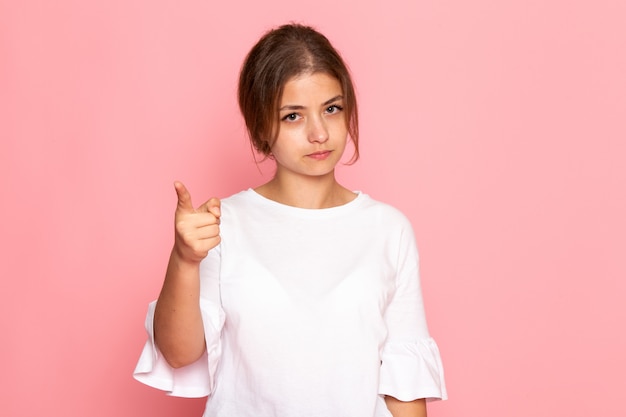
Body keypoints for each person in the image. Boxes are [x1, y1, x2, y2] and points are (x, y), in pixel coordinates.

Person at [134, 23, 447, 417]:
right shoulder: (220, 225)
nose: (319, 133)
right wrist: (184, 259)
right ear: (261, 127)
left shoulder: (389, 230)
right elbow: (179, 354)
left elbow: (404, 383)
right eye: (293, 116)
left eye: (332, 109)